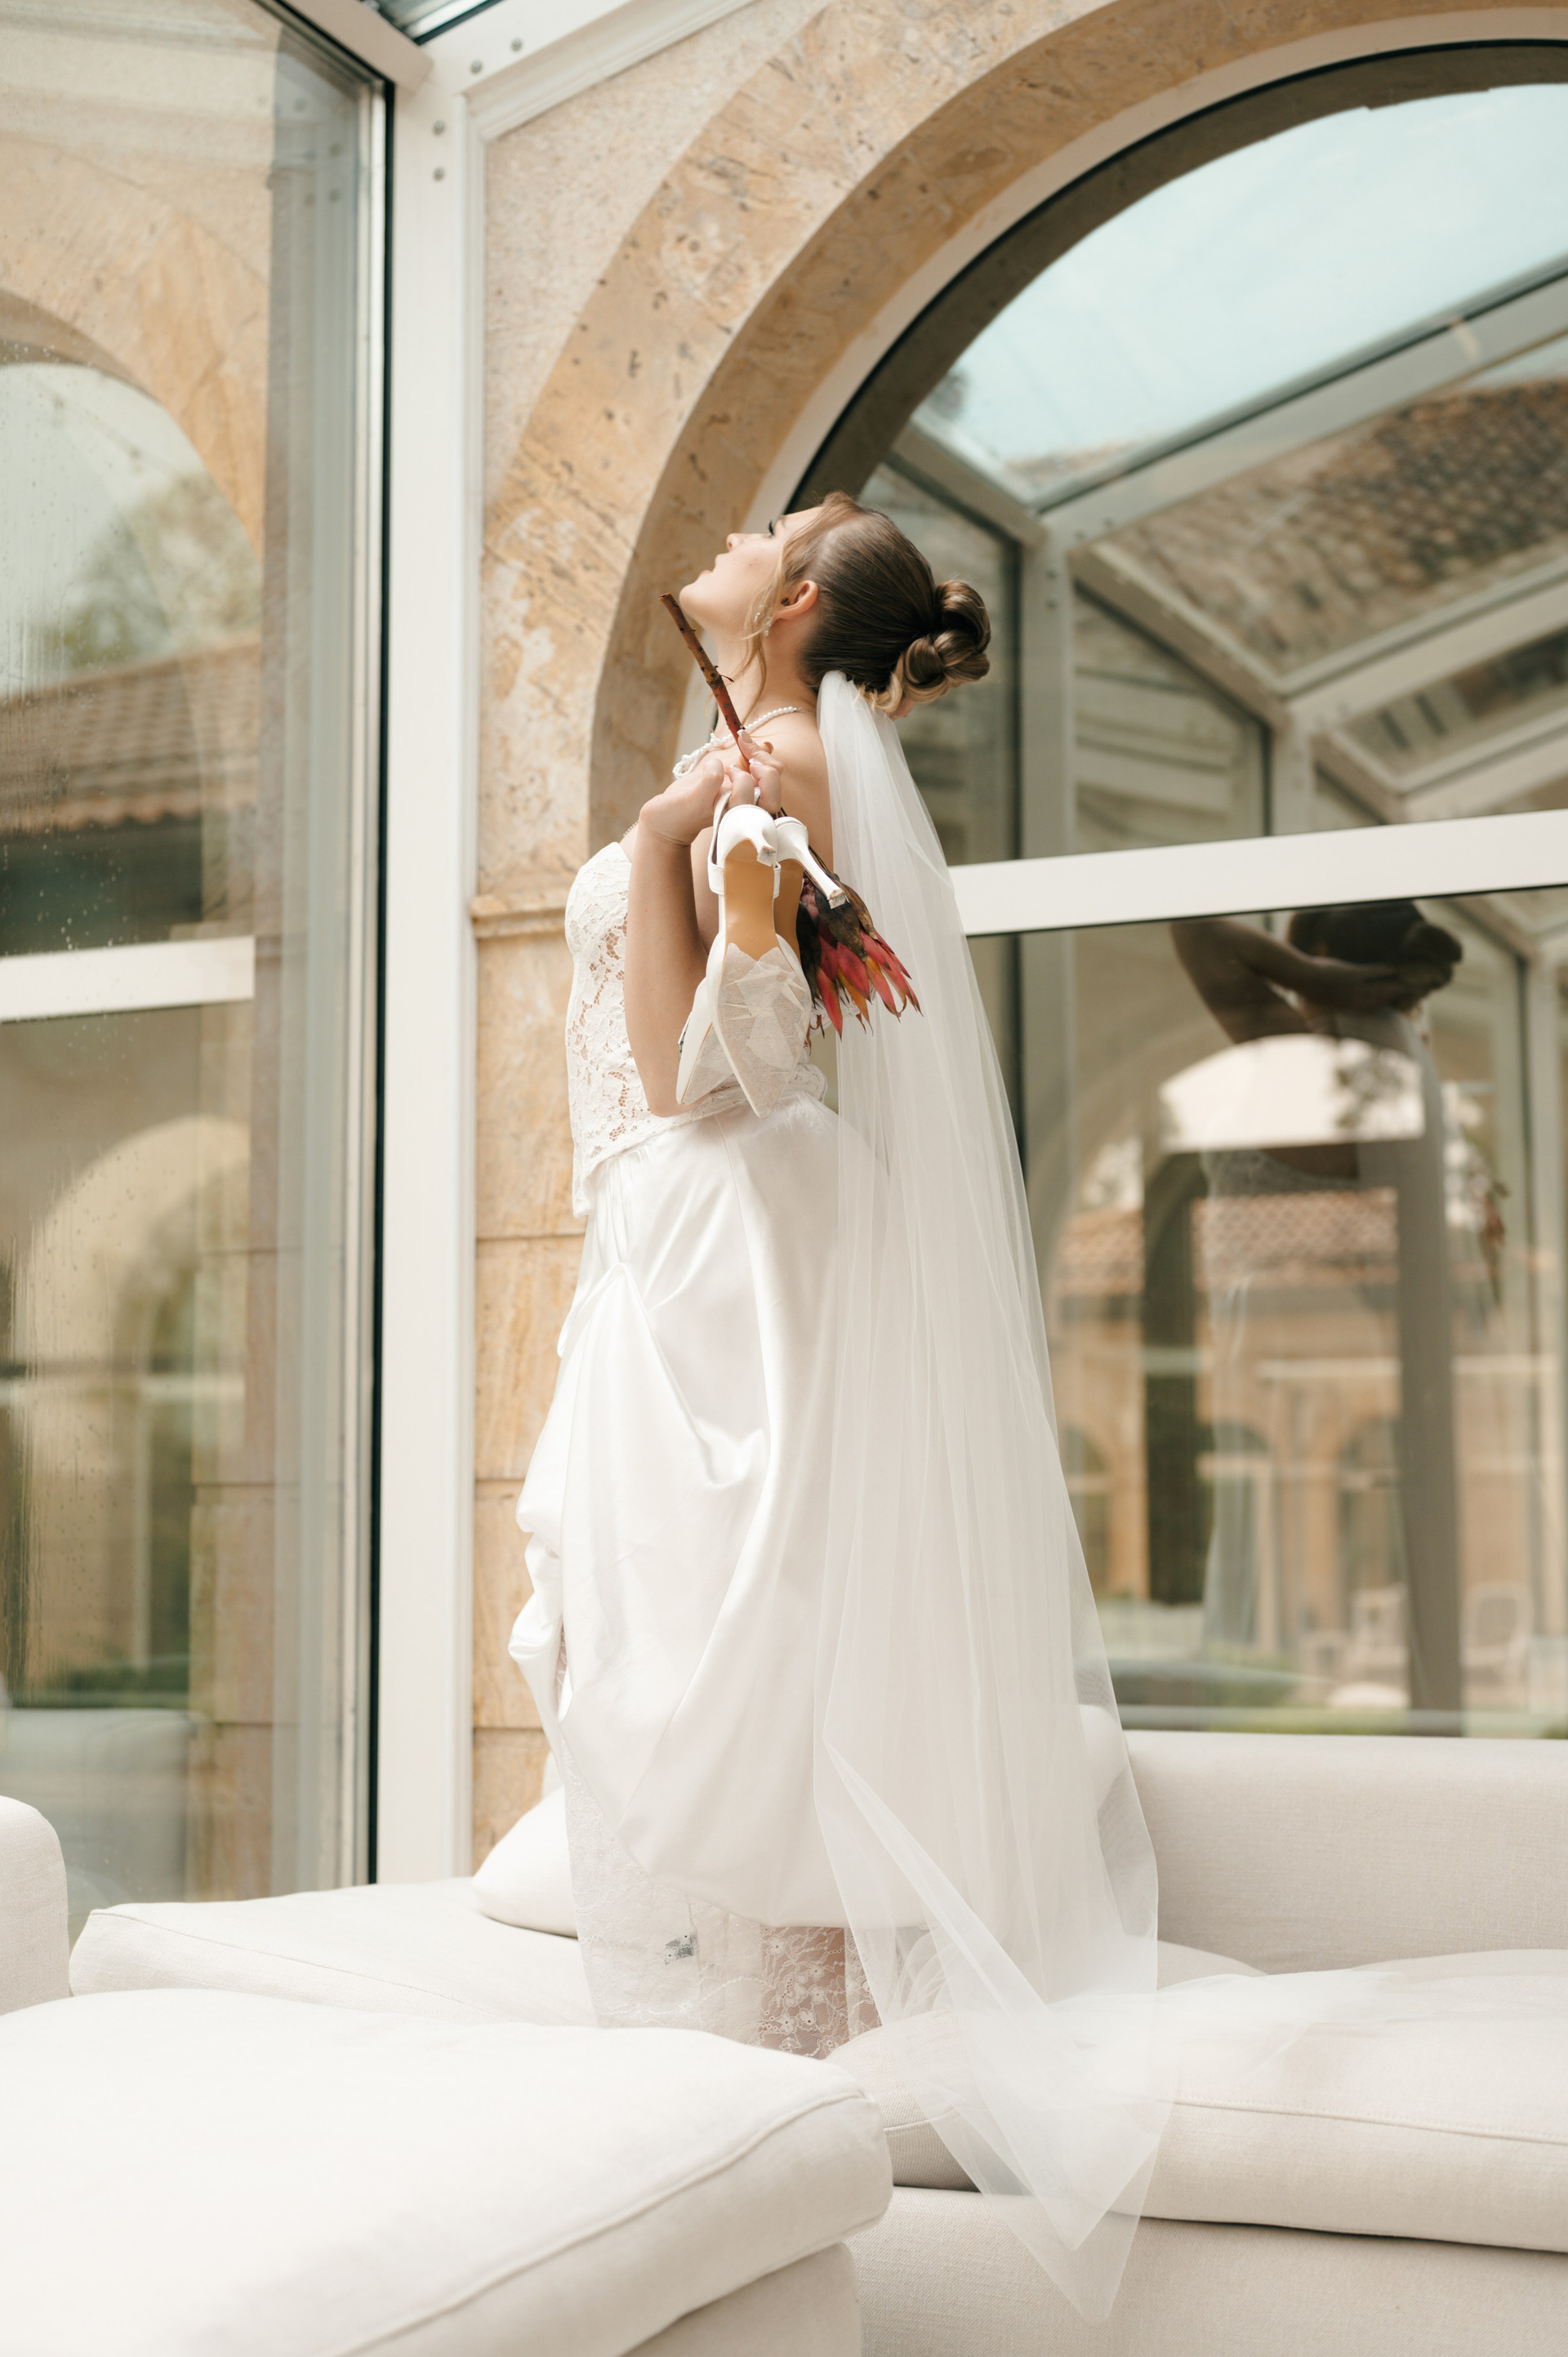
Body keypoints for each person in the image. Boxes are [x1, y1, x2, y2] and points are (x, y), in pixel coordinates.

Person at [511, 493, 1165, 2317]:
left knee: (716, 1631)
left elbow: (695, 1072)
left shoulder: (768, 773)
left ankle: (780, 2121)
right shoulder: (768, 755)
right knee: (734, 1623)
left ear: (794, 600)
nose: (733, 534)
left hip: (719, 1222)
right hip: (712, 1230)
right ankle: (774, 2100)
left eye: (767, 528)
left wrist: (664, 840)